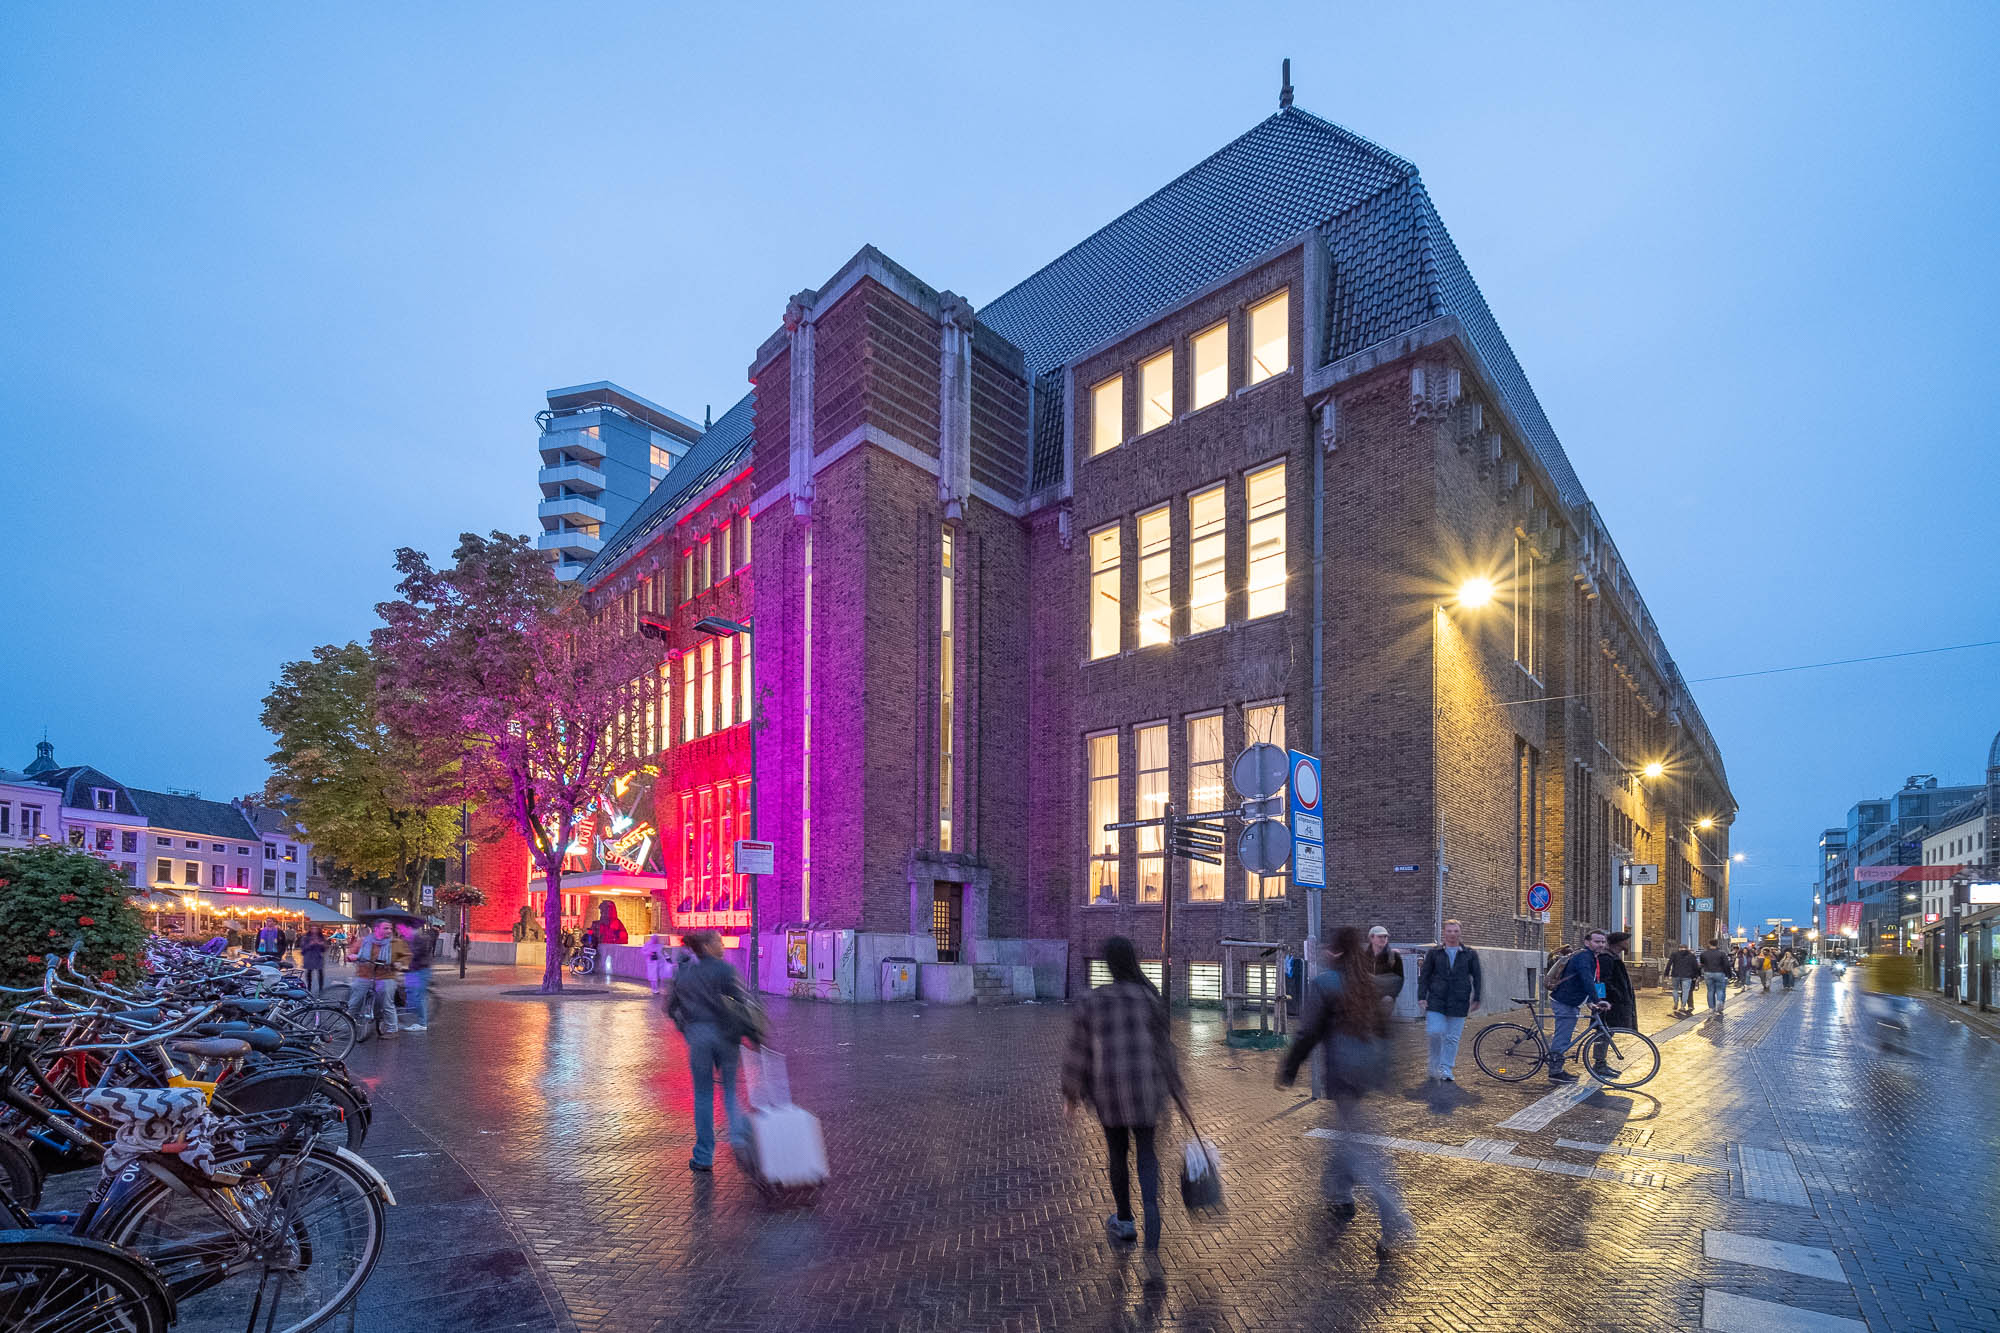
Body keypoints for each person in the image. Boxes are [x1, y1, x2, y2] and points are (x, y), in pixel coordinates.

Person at [1279, 927, 1415, 1253]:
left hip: (1343, 1072)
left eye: (1329, 947)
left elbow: (1308, 1033)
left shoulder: (1325, 984)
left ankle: (1394, 1218)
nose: (1325, 951)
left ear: (1336, 952)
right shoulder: (1367, 982)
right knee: (1344, 1135)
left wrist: (1289, 1067)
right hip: (1367, 1072)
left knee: (1359, 1151)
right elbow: (1385, 1028)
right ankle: (1339, 1194)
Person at [1061, 936, 1182, 1252]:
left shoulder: (1092, 1001)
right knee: (1147, 1153)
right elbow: (1164, 1050)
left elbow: (1078, 1053)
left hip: (1110, 1092)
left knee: (1117, 1154)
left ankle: (1125, 1221)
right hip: (1146, 1089)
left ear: (1108, 965)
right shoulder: (1149, 998)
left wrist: (1071, 1096)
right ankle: (1152, 1216)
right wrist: (1177, 1091)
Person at [667, 930, 757, 1173]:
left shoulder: (684, 972)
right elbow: (741, 1003)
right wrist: (752, 1034)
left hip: (698, 1036)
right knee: (729, 1091)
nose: (722, 944)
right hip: (726, 1036)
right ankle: (740, 1142)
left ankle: (704, 1156)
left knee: (703, 1096)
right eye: (718, 941)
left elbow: (671, 1007)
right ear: (706, 946)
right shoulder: (724, 970)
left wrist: (687, 1028)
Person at [1416, 919, 1481, 1082]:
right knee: (1435, 1032)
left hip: (1459, 1000)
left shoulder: (1469, 954)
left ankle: (1446, 1068)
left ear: (1460, 933)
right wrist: (1422, 996)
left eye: (1455, 931)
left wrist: (1477, 997)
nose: (1452, 934)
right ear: (1444, 932)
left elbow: (1477, 976)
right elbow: (1424, 976)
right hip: (1437, 999)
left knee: (1452, 1037)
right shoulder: (1434, 953)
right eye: (1449, 931)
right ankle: (1434, 1064)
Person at [1546, 929, 1614, 1082]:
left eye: (1603, 942)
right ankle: (1555, 1072)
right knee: (1563, 1036)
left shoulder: (1592, 958)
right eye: (1597, 941)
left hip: (1571, 999)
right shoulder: (1584, 957)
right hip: (1565, 1000)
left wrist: (1592, 1000)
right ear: (1587, 942)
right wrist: (1597, 1000)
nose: (1601, 945)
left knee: (1564, 1035)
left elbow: (1593, 981)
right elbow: (1586, 980)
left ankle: (1556, 1065)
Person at [347, 920, 407, 1035]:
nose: (389, 931)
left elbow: (406, 958)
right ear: (376, 929)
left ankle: (392, 1030)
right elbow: (350, 954)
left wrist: (399, 963)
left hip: (386, 976)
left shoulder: (396, 943)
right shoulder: (364, 941)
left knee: (387, 1004)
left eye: (390, 928)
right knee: (354, 1002)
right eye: (386, 928)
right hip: (364, 976)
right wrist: (351, 957)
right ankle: (347, 1026)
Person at [398, 922, 433, 1031]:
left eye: (402, 929)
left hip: (420, 970)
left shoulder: (419, 939)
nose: (400, 932)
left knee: (418, 997)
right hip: (413, 970)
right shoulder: (408, 940)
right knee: (410, 994)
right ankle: (413, 1020)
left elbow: (416, 954)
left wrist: (405, 957)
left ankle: (422, 1023)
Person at [1601, 932, 1638, 1031]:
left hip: (1614, 1002)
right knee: (1604, 1033)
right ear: (1619, 943)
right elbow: (1602, 981)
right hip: (1609, 1003)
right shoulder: (1607, 958)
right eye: (1625, 940)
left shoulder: (1614, 957)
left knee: (1607, 1032)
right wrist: (1617, 995)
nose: (1627, 943)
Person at [1366, 926, 1404, 1010]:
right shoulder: (1363, 957)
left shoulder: (1394, 956)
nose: (1383, 939)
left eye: (1385, 936)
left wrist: (1375, 981)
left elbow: (1399, 981)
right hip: (1366, 998)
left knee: (1387, 1001)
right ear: (1371, 938)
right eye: (1380, 936)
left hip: (1384, 998)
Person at [1697, 937, 1734, 1012]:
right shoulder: (1722, 953)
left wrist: (1699, 974)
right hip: (1719, 973)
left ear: (1709, 944)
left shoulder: (1704, 954)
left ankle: (1711, 1007)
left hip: (1708, 973)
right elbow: (1726, 964)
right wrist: (1729, 974)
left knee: (1710, 991)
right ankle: (1719, 1001)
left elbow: (1701, 964)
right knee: (1720, 990)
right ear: (1717, 944)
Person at [1666, 943, 1700, 1017]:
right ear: (1687, 948)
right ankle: (1682, 1006)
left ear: (1679, 948)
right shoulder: (1691, 955)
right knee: (1685, 991)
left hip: (1675, 975)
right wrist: (1696, 975)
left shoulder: (1674, 954)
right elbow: (1695, 966)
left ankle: (1675, 1002)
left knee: (1675, 989)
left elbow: (1669, 964)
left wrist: (1666, 973)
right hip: (1687, 976)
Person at [300, 927, 328, 993]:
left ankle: (321, 987)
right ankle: (309, 986)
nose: (314, 930)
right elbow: (303, 948)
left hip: (318, 957)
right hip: (309, 956)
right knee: (309, 971)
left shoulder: (321, 937)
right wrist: (310, 944)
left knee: (320, 971)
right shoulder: (306, 938)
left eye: (316, 928)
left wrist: (321, 945)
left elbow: (324, 948)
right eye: (312, 928)